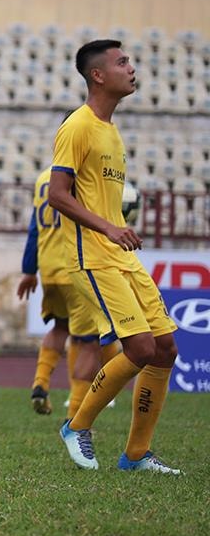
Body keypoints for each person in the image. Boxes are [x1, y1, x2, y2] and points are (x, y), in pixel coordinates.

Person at [52, 40, 180, 474]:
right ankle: (77, 425)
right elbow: (57, 195)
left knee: (165, 349)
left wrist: (116, 226)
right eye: (122, 62)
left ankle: (136, 455)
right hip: (93, 256)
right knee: (140, 347)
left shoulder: (111, 129)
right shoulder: (78, 126)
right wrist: (108, 226)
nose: (132, 67)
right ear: (98, 76)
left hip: (120, 255)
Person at [16, 166, 109, 418]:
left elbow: (34, 227)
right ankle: (76, 419)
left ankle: (41, 382)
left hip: (49, 268)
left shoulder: (43, 178)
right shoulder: (84, 176)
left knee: (59, 327)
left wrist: (28, 270)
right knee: (88, 344)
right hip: (76, 267)